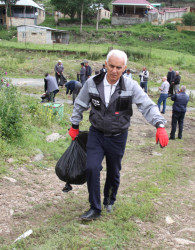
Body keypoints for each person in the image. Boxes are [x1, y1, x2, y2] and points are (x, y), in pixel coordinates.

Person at [69, 49, 169, 221]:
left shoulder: (130, 86)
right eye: (112, 66)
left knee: (114, 171)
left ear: (125, 68)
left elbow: (147, 105)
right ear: (106, 64)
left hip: (118, 136)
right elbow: (80, 103)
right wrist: (74, 125)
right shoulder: (92, 83)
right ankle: (95, 208)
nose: (114, 71)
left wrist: (159, 124)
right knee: (92, 168)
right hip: (97, 134)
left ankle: (109, 199)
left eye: (119, 67)